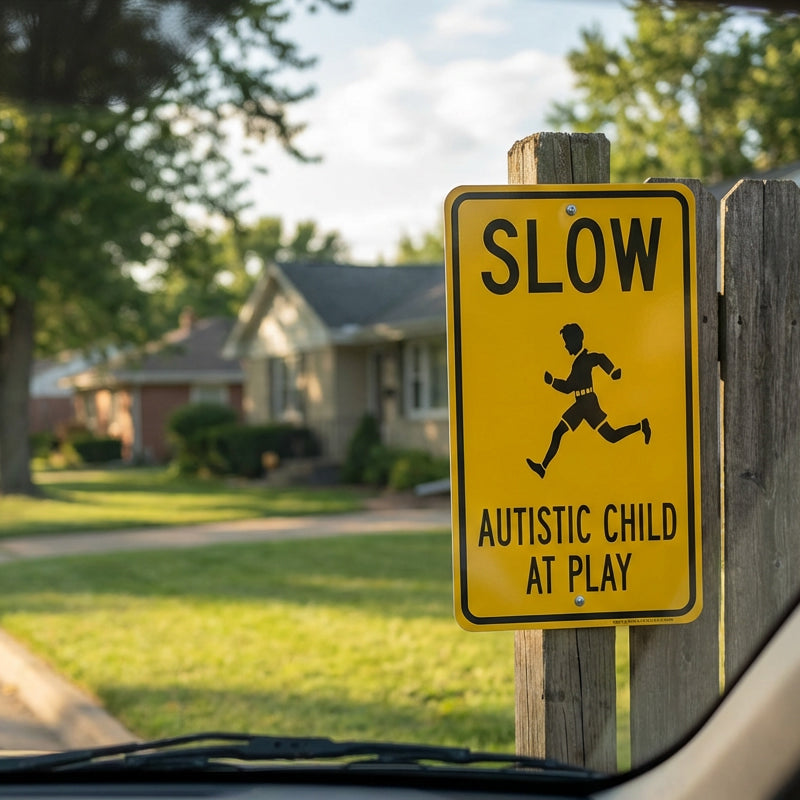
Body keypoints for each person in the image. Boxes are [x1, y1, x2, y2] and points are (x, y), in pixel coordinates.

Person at [526, 322, 650, 478]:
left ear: (575, 341)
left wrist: (612, 372)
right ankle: (543, 468)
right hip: (581, 403)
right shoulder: (578, 362)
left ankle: (640, 426)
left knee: (610, 436)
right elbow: (569, 386)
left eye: (566, 343)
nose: (565, 347)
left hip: (588, 403)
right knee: (560, 432)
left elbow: (595, 362)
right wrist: (553, 382)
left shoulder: (583, 360)